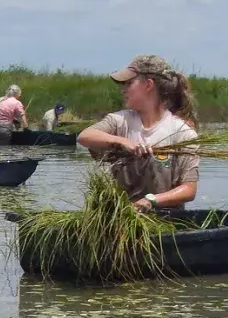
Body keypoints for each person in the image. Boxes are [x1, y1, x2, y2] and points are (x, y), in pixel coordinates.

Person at [77, 54, 201, 212]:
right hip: (121, 218)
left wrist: (151, 200)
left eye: (129, 83)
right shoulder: (120, 121)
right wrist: (123, 142)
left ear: (148, 85)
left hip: (166, 222)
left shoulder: (182, 134)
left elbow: (189, 190)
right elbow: (84, 136)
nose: (123, 90)